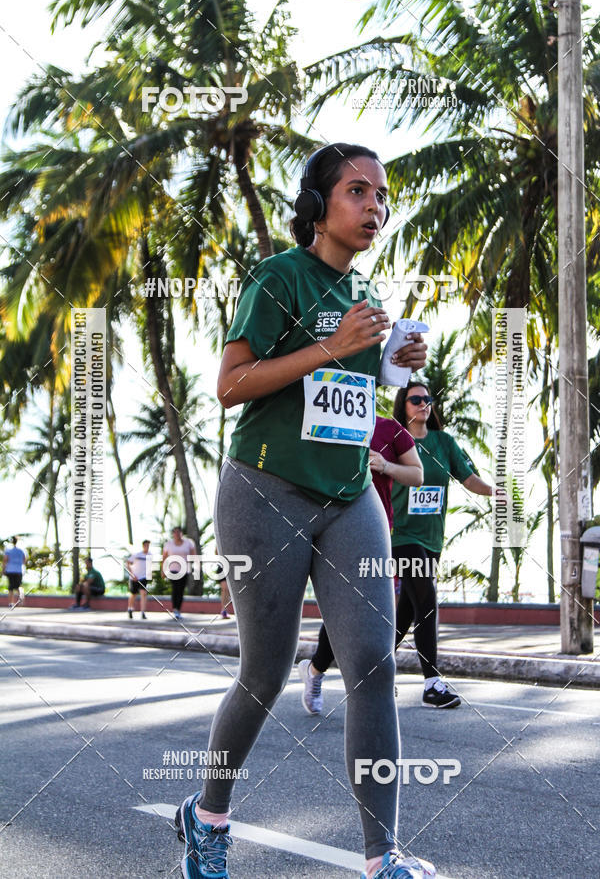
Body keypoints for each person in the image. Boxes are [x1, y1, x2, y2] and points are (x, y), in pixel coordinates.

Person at [174, 143, 435, 879]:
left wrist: (394, 364)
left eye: (382, 195)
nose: (375, 208)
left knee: (375, 666)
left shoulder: (366, 297)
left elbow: (348, 400)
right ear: (318, 207)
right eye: (357, 192)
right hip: (266, 490)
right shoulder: (278, 277)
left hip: (349, 494)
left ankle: (384, 856)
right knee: (262, 673)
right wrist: (332, 345)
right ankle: (208, 817)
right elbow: (231, 386)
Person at [297, 414, 423, 715]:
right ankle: (318, 671)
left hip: (377, 532)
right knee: (341, 607)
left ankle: (320, 671)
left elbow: (417, 475)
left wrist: (385, 466)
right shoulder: (324, 418)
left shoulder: (390, 429)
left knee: (372, 610)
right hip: (328, 527)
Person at [392, 381, 497, 709]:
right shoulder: (394, 439)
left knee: (406, 615)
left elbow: (468, 479)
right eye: (415, 399)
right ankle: (432, 684)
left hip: (432, 539)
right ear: (404, 405)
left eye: (427, 399)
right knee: (427, 599)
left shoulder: (444, 442)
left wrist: (497, 492)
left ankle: (373, 668)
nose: (423, 403)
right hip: (400, 537)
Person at [162, 526, 196, 620]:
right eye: (175, 532)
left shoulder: (189, 543)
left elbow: (194, 555)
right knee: (175, 588)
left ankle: (178, 610)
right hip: (172, 569)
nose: (177, 534)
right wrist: (163, 570)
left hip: (184, 569)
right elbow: (164, 558)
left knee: (181, 590)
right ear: (173, 534)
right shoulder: (168, 544)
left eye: (179, 532)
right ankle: (175, 609)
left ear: (181, 533)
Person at [126, 539, 152, 619]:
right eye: (145, 545)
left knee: (143, 594)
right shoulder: (137, 555)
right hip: (134, 577)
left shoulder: (150, 555)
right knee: (133, 594)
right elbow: (128, 563)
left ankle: (143, 612)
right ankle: (130, 609)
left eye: (148, 545)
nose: (147, 547)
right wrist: (132, 574)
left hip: (143, 577)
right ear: (143, 546)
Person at [3, 536, 26, 607]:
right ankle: (21, 601)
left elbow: (5, 561)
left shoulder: (8, 551)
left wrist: (3, 570)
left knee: (11, 587)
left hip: (10, 570)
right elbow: (24, 561)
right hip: (18, 570)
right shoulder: (21, 551)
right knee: (18, 586)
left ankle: (11, 603)